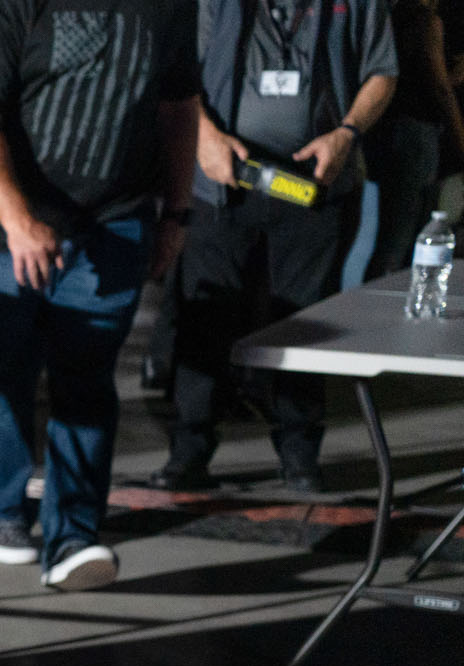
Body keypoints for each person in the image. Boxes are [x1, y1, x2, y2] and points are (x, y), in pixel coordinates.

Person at [0, 0, 200, 590]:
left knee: (86, 381)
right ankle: (5, 510)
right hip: (17, 220)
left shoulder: (168, 8)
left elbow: (177, 107)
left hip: (116, 220)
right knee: (5, 375)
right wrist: (17, 220)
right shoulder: (16, 7)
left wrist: (178, 213)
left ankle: (73, 538)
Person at [152, 0, 396, 491]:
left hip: (313, 186)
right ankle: (189, 453)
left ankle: (300, 456)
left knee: (305, 324)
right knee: (205, 320)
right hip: (222, 182)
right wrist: (204, 136)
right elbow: (174, 68)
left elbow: (383, 73)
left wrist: (346, 134)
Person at [364, 0, 464, 277]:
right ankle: (382, 308)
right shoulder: (425, 20)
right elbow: (439, 87)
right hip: (415, 135)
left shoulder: (391, 16)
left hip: (388, 132)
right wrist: (460, 138)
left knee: (396, 234)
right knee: (402, 237)